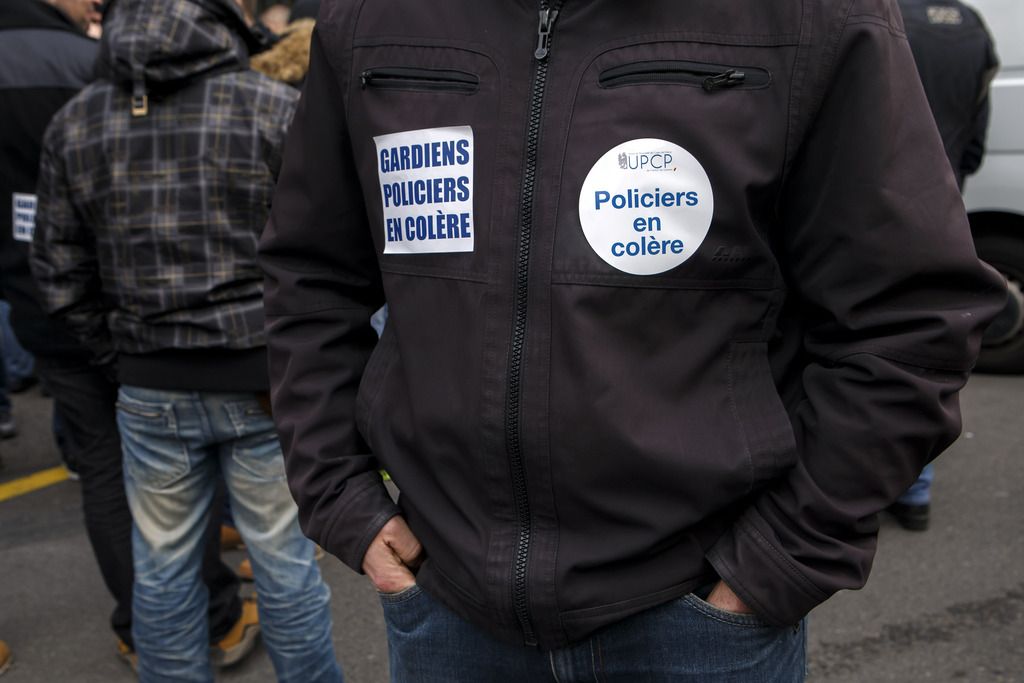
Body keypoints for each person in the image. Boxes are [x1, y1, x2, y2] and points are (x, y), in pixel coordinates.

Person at [261, 0, 1007, 680]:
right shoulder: (372, 18)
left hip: (700, 621)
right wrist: (344, 499)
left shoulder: (812, 16)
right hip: (446, 609)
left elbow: (911, 317)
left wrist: (776, 562)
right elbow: (311, 274)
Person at [30, 0, 343, 681]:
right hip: (260, 377)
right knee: (284, 562)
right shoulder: (268, 106)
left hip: (149, 380)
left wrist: (121, 357)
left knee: (163, 570)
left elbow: (58, 275)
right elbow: (321, 255)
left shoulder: (77, 122)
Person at [0, 0, 263, 670]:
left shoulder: (88, 76)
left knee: (114, 483)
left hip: (63, 313)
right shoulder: (85, 68)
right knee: (194, 499)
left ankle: (145, 627)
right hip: (150, 326)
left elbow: (57, 250)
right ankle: (219, 618)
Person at [890, 0, 999, 532]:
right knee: (926, 343)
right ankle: (915, 493)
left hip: (873, 208)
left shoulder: (881, 18)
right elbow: (975, 145)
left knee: (862, 341)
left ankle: (854, 487)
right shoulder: (973, 27)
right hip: (944, 203)